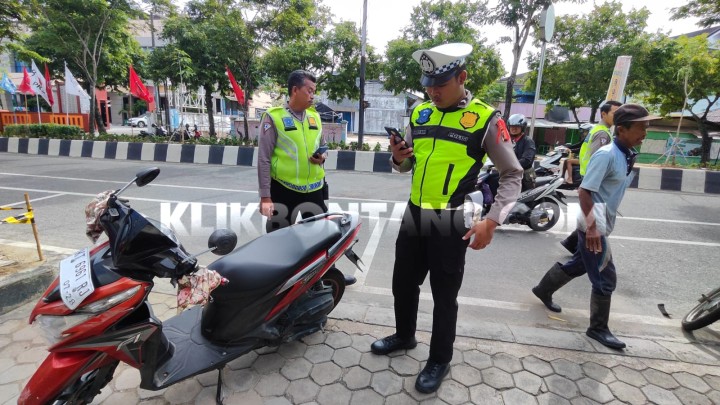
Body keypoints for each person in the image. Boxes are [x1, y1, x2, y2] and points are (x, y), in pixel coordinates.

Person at [370, 43, 522, 394]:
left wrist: (493, 220)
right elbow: (405, 165)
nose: (433, 91)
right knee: (402, 283)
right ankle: (405, 336)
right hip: (415, 213)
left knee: (443, 294)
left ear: (462, 78)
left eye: (440, 84)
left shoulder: (485, 119)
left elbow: (512, 173)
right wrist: (397, 157)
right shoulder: (420, 114)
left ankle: (439, 358)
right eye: (428, 84)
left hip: (452, 219)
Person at [532, 104, 657, 350]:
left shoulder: (627, 153)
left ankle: (542, 289)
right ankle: (597, 328)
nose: (645, 132)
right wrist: (592, 228)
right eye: (641, 127)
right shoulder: (607, 154)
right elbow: (585, 192)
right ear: (621, 129)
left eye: (647, 127)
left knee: (579, 264)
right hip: (594, 224)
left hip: (601, 221)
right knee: (606, 279)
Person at [257, 69, 356, 284]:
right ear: (295, 90)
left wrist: (322, 156)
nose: (313, 96)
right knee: (278, 239)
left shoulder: (315, 117)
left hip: (314, 190)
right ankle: (275, 284)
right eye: (309, 91)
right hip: (283, 190)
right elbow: (263, 159)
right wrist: (265, 197)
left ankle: (330, 277)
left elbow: (322, 145)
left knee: (324, 238)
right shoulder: (273, 117)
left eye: (314, 91)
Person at [559, 100, 622, 252]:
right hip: (593, 179)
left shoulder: (598, 129)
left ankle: (574, 245)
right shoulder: (602, 133)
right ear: (604, 114)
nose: (618, 116)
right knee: (595, 216)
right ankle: (585, 249)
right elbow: (598, 158)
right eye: (615, 113)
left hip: (588, 176)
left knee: (591, 214)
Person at [507, 114, 537, 191]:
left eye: (517, 127)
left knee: (522, 201)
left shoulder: (528, 141)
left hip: (524, 176)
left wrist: (508, 166)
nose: (513, 129)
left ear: (522, 128)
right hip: (511, 173)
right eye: (512, 126)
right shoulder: (508, 141)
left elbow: (526, 160)